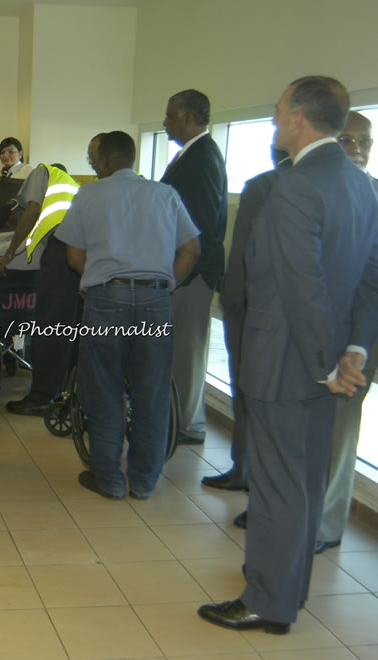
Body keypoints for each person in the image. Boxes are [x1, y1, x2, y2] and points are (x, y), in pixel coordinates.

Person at [198, 76, 378, 634]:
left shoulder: (294, 186)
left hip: (288, 366)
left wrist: (329, 363)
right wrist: (354, 352)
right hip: (331, 365)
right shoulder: (361, 184)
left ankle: (267, 601)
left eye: (278, 114)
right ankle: (290, 591)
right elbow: (370, 278)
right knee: (302, 486)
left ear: (301, 118)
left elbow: (302, 286)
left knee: (277, 491)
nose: (274, 123)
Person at [56, 131, 199, 500]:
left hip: (107, 299)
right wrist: (165, 287)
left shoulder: (88, 195)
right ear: (131, 158)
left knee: (103, 390)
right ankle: (144, 481)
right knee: (151, 393)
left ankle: (109, 479)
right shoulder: (165, 194)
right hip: (155, 300)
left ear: (104, 161)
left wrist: (103, 283)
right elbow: (191, 249)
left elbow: (73, 258)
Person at [202, 147, 291, 499]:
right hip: (304, 318)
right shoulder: (350, 186)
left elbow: (242, 250)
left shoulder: (264, 186)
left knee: (249, 392)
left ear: (273, 153)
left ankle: (245, 469)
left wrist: (230, 301)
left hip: (255, 311)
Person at [316, 110, 378, 554]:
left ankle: (324, 527)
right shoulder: (314, 193)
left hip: (359, 339)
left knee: (340, 435)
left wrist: (360, 345)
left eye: (365, 141)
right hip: (309, 335)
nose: (357, 149)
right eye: (348, 140)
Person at [160, 89, 228, 446]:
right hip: (183, 268)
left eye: (170, 115)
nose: (165, 122)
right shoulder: (191, 155)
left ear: (188, 117)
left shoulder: (202, 159)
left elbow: (197, 226)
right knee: (181, 348)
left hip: (192, 271)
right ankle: (180, 417)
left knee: (187, 348)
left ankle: (187, 424)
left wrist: (177, 273)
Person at [0, 157, 81, 417]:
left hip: (61, 255)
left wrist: (8, 254)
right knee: (68, 330)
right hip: (75, 256)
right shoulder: (71, 187)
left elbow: (30, 213)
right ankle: (66, 391)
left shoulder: (42, 172)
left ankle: (43, 397)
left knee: (50, 330)